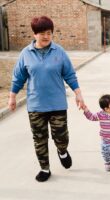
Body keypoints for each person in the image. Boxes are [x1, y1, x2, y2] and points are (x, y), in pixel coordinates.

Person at [8, 16, 85, 182]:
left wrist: (78, 94)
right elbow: (18, 78)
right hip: (36, 106)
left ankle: (62, 151)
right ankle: (45, 168)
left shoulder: (59, 52)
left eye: (49, 33)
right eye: (42, 33)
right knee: (39, 140)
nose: (46, 36)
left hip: (57, 104)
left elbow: (70, 75)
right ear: (34, 34)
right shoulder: (25, 54)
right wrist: (12, 97)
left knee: (61, 137)